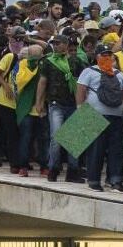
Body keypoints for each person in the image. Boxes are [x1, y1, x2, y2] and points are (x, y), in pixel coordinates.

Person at [76, 44, 123, 192]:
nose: (106, 57)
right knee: (95, 150)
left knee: (116, 150)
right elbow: (80, 89)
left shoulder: (119, 74)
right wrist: (80, 110)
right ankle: (93, 180)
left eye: (109, 54)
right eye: (103, 54)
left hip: (116, 116)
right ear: (97, 56)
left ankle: (115, 181)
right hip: (93, 115)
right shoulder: (89, 71)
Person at [36, 34, 84, 183]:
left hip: (73, 104)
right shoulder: (49, 62)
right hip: (56, 103)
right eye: (54, 44)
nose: (55, 46)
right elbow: (42, 82)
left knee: (73, 140)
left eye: (58, 43)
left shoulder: (76, 61)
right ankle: (53, 168)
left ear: (65, 44)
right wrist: (39, 102)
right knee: (56, 137)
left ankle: (73, 171)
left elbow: (82, 83)